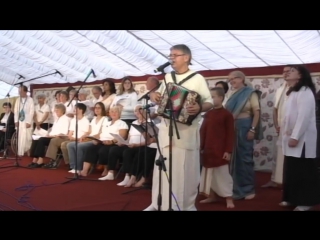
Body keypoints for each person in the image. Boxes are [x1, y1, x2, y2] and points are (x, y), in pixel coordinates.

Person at [145, 44, 213, 211]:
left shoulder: (198, 78)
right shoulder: (168, 77)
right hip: (166, 129)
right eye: (170, 55)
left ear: (186, 57)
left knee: (183, 171)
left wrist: (199, 108)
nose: (171, 58)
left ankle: (182, 206)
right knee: (162, 168)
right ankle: (158, 204)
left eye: (175, 55)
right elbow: (158, 96)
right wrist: (154, 95)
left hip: (185, 131)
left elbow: (209, 102)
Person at [279, 65, 320, 211]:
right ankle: (292, 198)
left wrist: (295, 136)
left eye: (292, 71)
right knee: (292, 170)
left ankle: (307, 201)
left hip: (302, 139)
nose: (288, 73)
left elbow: (304, 117)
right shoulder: (292, 92)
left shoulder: (305, 92)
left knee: (303, 170)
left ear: (301, 75)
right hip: (290, 137)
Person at [224, 71, 263, 200]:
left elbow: (256, 112)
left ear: (241, 79)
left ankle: (248, 189)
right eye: (229, 80)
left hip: (245, 126)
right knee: (233, 158)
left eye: (233, 79)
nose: (231, 82)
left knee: (245, 157)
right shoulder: (231, 93)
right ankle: (235, 188)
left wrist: (252, 129)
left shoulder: (250, 92)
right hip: (232, 127)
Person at [199, 87, 235, 208]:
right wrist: (200, 146)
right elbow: (203, 131)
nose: (211, 99)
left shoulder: (227, 115)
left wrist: (228, 151)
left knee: (223, 175)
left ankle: (229, 198)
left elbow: (230, 134)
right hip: (208, 150)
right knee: (209, 175)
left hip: (220, 150)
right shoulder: (208, 114)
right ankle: (211, 196)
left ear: (221, 98)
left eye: (213, 97)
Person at [113, 105, 157, 187]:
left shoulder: (150, 123)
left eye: (140, 110)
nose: (138, 112)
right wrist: (124, 142)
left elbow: (150, 140)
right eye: (136, 111)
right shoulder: (134, 123)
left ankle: (131, 176)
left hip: (142, 145)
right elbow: (129, 137)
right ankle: (127, 176)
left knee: (131, 152)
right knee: (116, 149)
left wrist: (137, 143)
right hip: (132, 145)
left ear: (145, 112)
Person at [262, 66, 291, 188]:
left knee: (288, 156)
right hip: (279, 128)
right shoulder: (280, 89)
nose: (285, 74)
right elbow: (275, 109)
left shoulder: (299, 90)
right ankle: (275, 179)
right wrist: (276, 125)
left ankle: (287, 182)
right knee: (277, 154)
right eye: (284, 72)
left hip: (291, 129)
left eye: (289, 71)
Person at [67, 102, 107, 173]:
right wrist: (84, 136)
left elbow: (101, 132)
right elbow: (89, 131)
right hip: (90, 138)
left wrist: (92, 137)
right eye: (95, 108)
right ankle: (73, 166)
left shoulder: (105, 119)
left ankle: (78, 168)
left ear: (102, 109)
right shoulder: (94, 119)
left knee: (79, 146)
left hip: (97, 140)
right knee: (70, 145)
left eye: (99, 108)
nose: (97, 109)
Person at [27, 103, 70, 168]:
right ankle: (34, 159)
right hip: (52, 136)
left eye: (57, 110)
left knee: (42, 140)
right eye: (55, 110)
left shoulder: (66, 119)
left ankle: (40, 161)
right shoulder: (57, 119)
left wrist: (52, 136)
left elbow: (63, 133)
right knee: (36, 139)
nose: (56, 112)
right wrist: (48, 134)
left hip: (59, 137)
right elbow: (53, 130)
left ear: (63, 111)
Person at [14, 85, 34, 157]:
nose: (20, 93)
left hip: (27, 121)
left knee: (28, 137)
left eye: (21, 91)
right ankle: (20, 152)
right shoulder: (17, 100)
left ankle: (28, 150)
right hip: (20, 121)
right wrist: (16, 121)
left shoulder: (30, 99)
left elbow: (32, 111)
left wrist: (28, 122)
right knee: (20, 137)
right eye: (19, 91)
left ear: (25, 92)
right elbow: (16, 111)